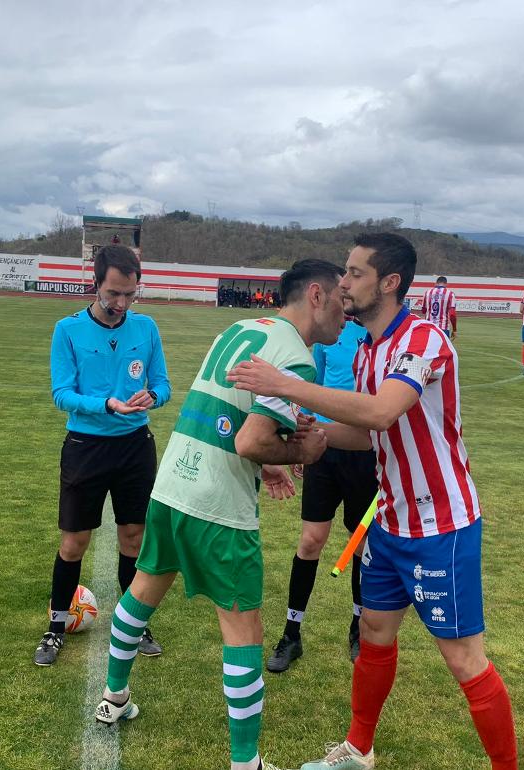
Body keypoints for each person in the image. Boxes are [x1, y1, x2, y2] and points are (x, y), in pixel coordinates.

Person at [228, 233, 517, 770]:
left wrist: (286, 385)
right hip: (389, 523)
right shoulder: (365, 350)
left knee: (462, 659)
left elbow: (383, 412)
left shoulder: (423, 339)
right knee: (375, 635)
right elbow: (367, 434)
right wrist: (308, 438)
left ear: (389, 283)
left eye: (355, 273)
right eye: (344, 271)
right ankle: (359, 751)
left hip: (441, 526)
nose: (343, 282)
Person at [93, 259, 344, 770]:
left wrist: (268, 459)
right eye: (343, 296)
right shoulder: (296, 357)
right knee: (243, 627)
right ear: (316, 295)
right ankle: (245, 762)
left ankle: (113, 698)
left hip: (174, 480)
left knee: (143, 590)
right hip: (218, 504)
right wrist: (302, 455)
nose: (348, 310)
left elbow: (232, 418)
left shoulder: (241, 326)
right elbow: (254, 439)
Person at [36, 245, 172, 666]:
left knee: (134, 539)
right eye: (114, 293)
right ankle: (56, 628)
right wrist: (107, 405)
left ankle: (134, 625)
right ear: (94, 284)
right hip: (86, 447)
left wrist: (153, 396)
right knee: (74, 543)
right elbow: (62, 394)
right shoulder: (68, 329)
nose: (122, 304)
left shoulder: (146, 328)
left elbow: (164, 385)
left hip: (135, 447)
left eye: (130, 295)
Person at [266, 314, 376, 674]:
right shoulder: (332, 335)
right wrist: (303, 446)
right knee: (311, 540)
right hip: (325, 450)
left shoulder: (380, 337)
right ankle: (291, 634)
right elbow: (316, 387)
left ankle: (358, 628)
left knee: (361, 544)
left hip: (364, 451)